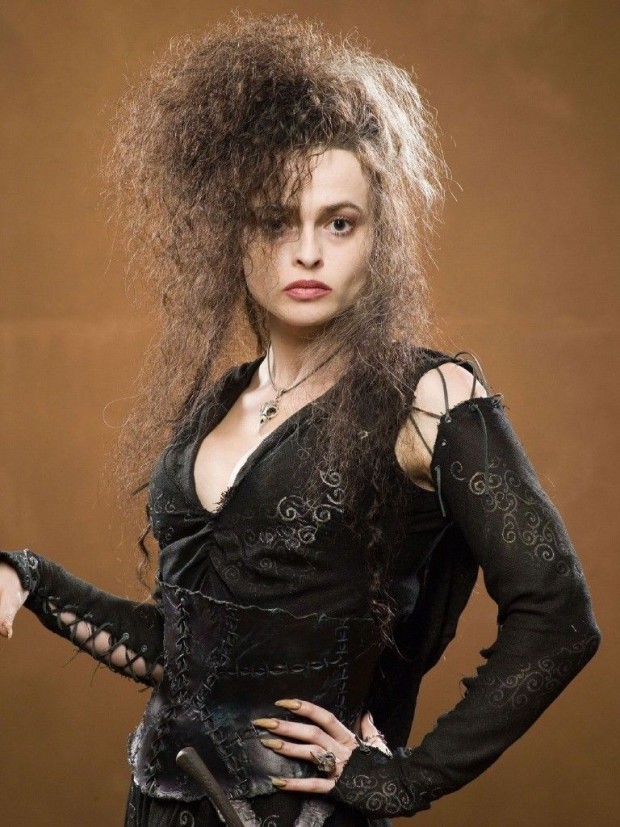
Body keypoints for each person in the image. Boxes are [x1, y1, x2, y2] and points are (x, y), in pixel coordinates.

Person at [0, 13, 600, 827]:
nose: (307, 251)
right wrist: (30, 577)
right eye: (276, 221)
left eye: (338, 222)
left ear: (377, 238)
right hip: (159, 806)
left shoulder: (429, 398)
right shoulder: (215, 407)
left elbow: (559, 617)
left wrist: (401, 779)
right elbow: (189, 653)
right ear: (234, 235)